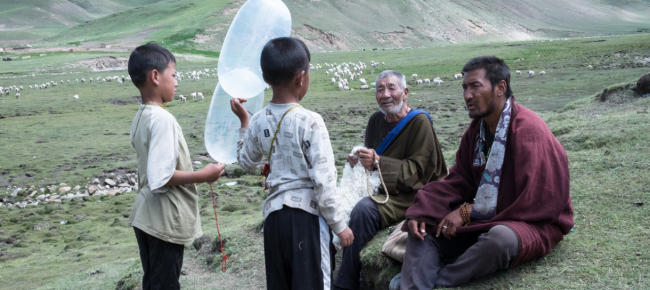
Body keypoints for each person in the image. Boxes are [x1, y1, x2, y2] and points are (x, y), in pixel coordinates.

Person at [392, 56, 574, 290]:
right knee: (423, 227)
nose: (467, 95)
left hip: (531, 224)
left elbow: (538, 202)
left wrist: (468, 211)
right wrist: (423, 209)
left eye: (475, 86)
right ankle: (418, 285)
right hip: (483, 220)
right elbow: (459, 179)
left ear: (500, 88)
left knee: (500, 240)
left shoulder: (529, 131)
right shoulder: (476, 130)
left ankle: (435, 281)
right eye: (465, 88)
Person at [230, 37, 354, 290]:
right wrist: (340, 226)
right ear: (301, 77)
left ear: (265, 78)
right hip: (306, 220)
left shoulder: (257, 121)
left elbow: (246, 163)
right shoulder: (310, 121)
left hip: (274, 220)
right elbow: (324, 181)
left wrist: (244, 122)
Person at [333, 70, 448, 290]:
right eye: (380, 89)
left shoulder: (419, 122)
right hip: (382, 187)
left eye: (392, 88)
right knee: (336, 205)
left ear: (405, 93)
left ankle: (345, 283)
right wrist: (359, 161)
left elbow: (420, 172)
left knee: (364, 210)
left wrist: (378, 162)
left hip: (412, 194)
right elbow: (372, 165)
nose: (386, 94)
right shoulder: (376, 120)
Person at [127, 42, 226, 290]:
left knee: (153, 282)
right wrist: (203, 175)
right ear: (155, 76)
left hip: (145, 215)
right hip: (163, 219)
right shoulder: (163, 119)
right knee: (165, 285)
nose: (177, 82)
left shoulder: (142, 115)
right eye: (174, 75)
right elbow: (161, 177)